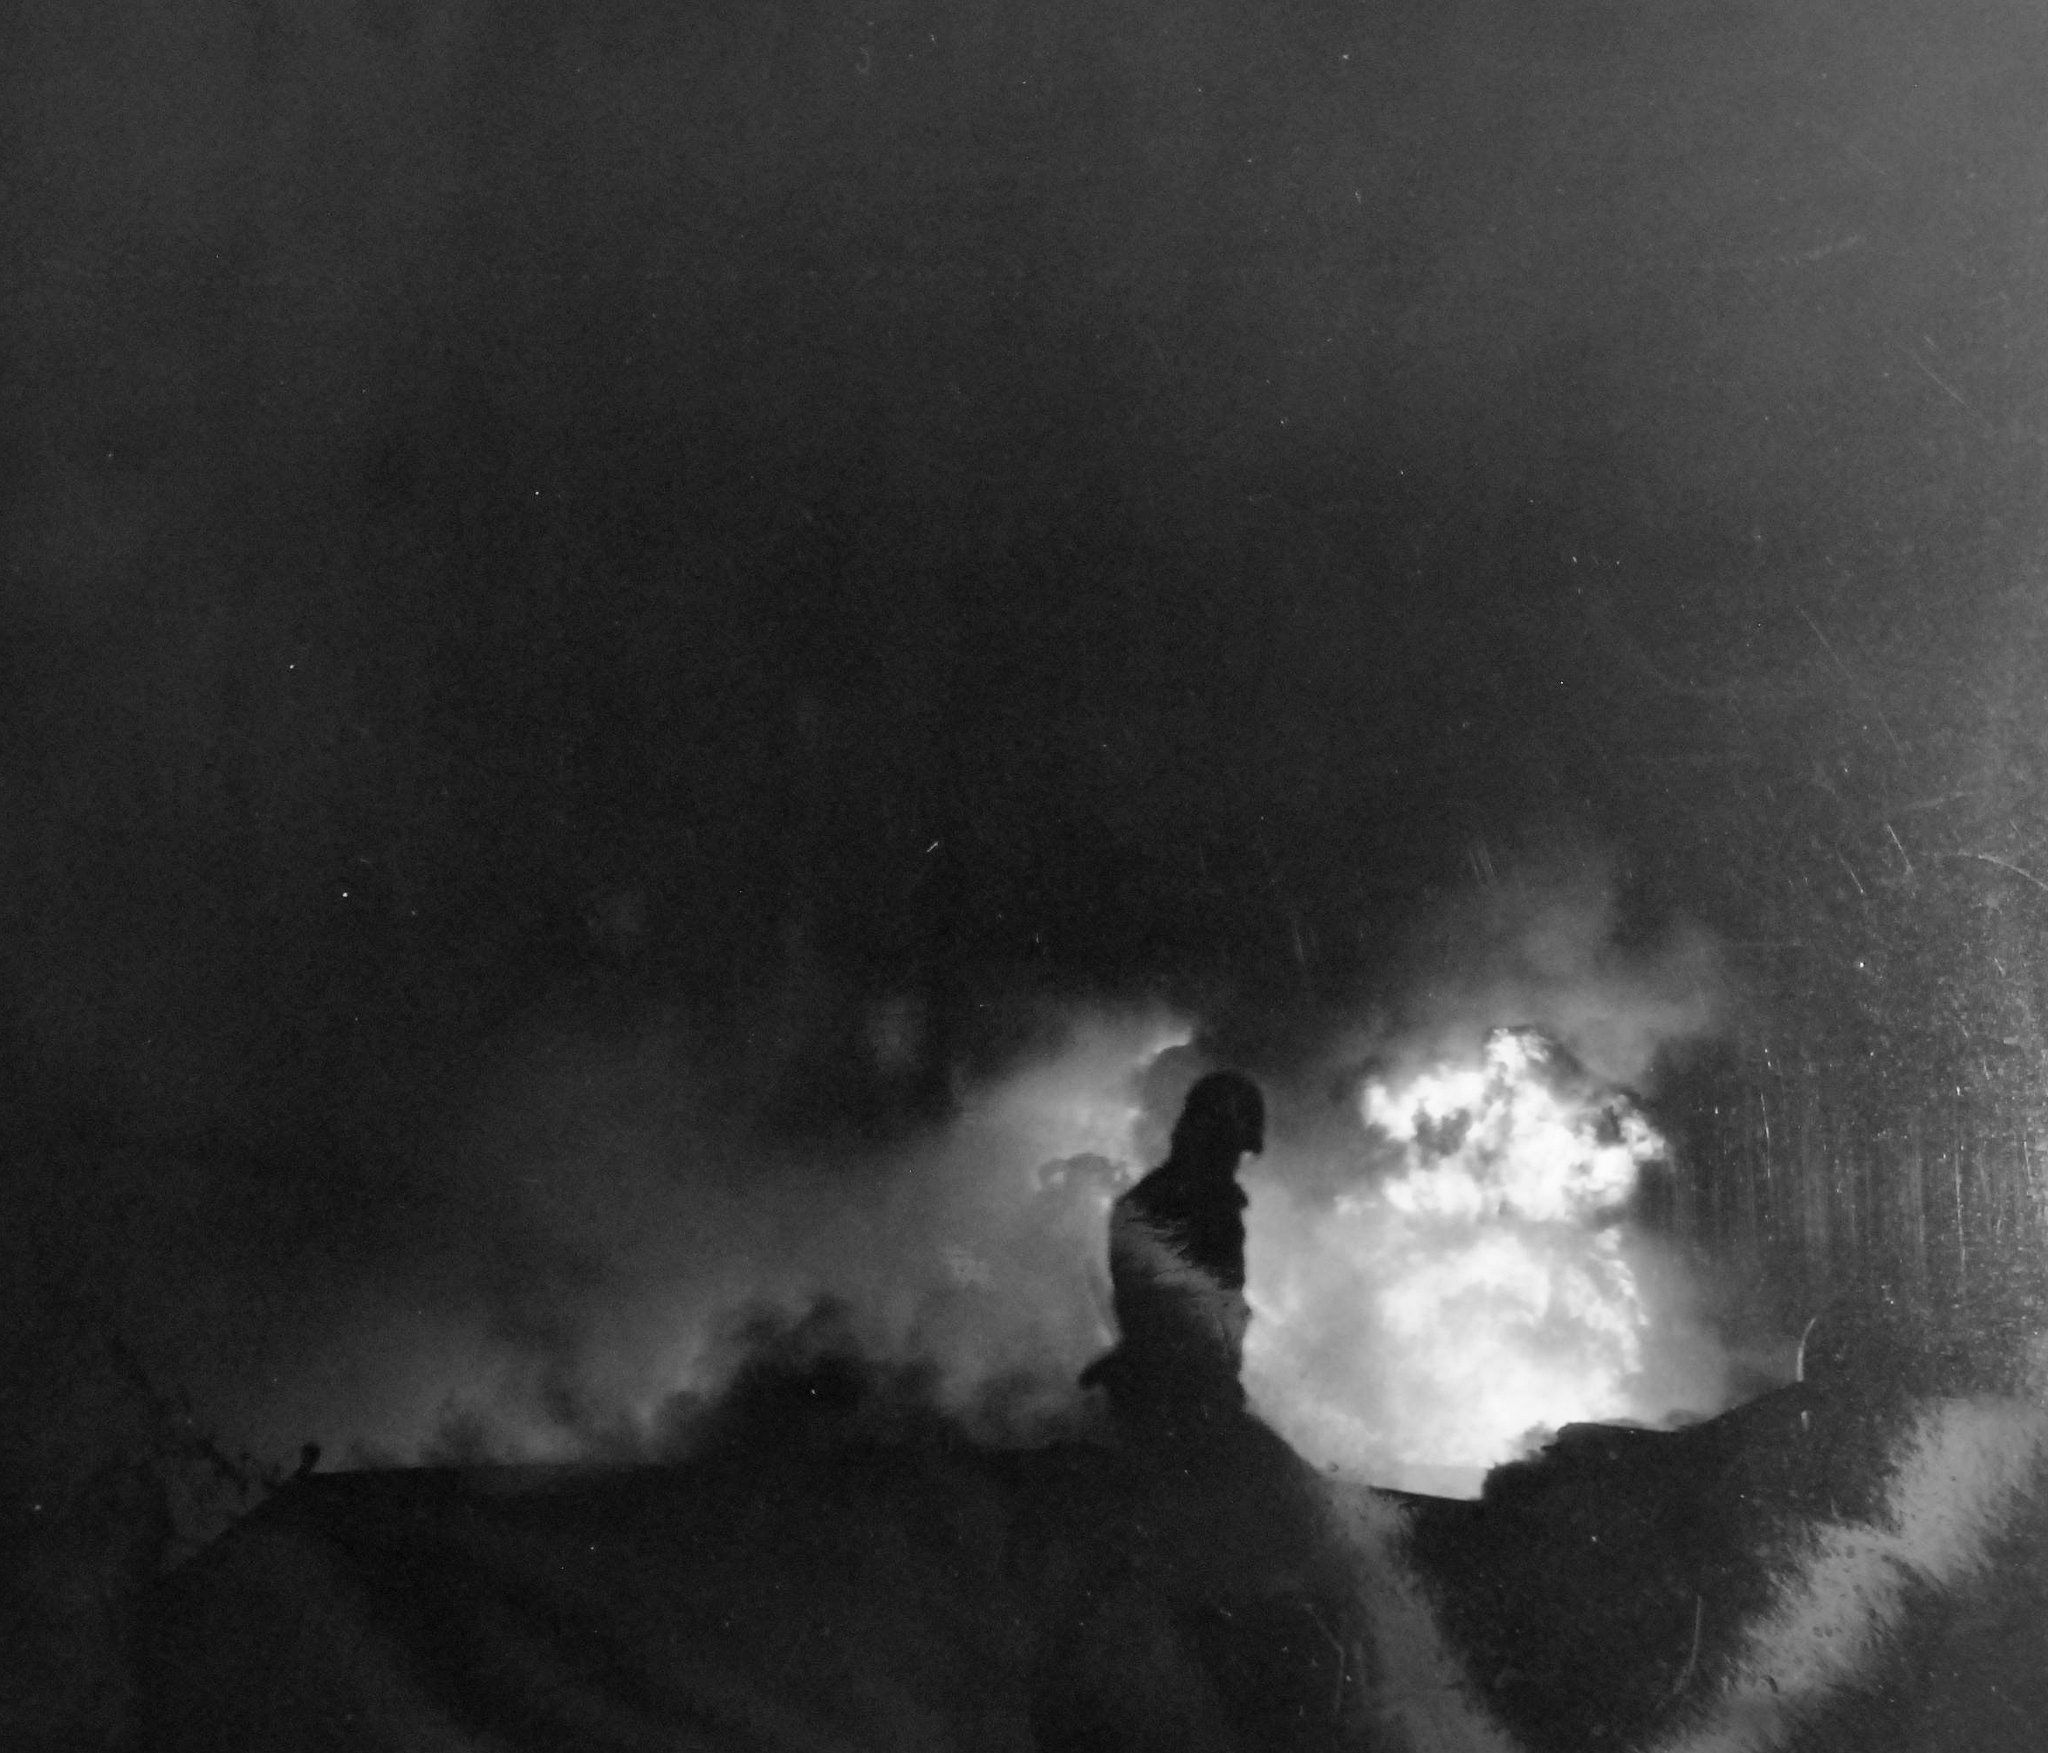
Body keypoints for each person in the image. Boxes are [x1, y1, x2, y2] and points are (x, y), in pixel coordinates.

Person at [1081, 1070, 1266, 1443]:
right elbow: (1174, 1317)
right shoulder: (1194, 1209)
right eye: (1234, 1148)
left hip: (1174, 1395)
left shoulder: (1151, 1202)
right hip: (1179, 1406)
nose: (1237, 1162)